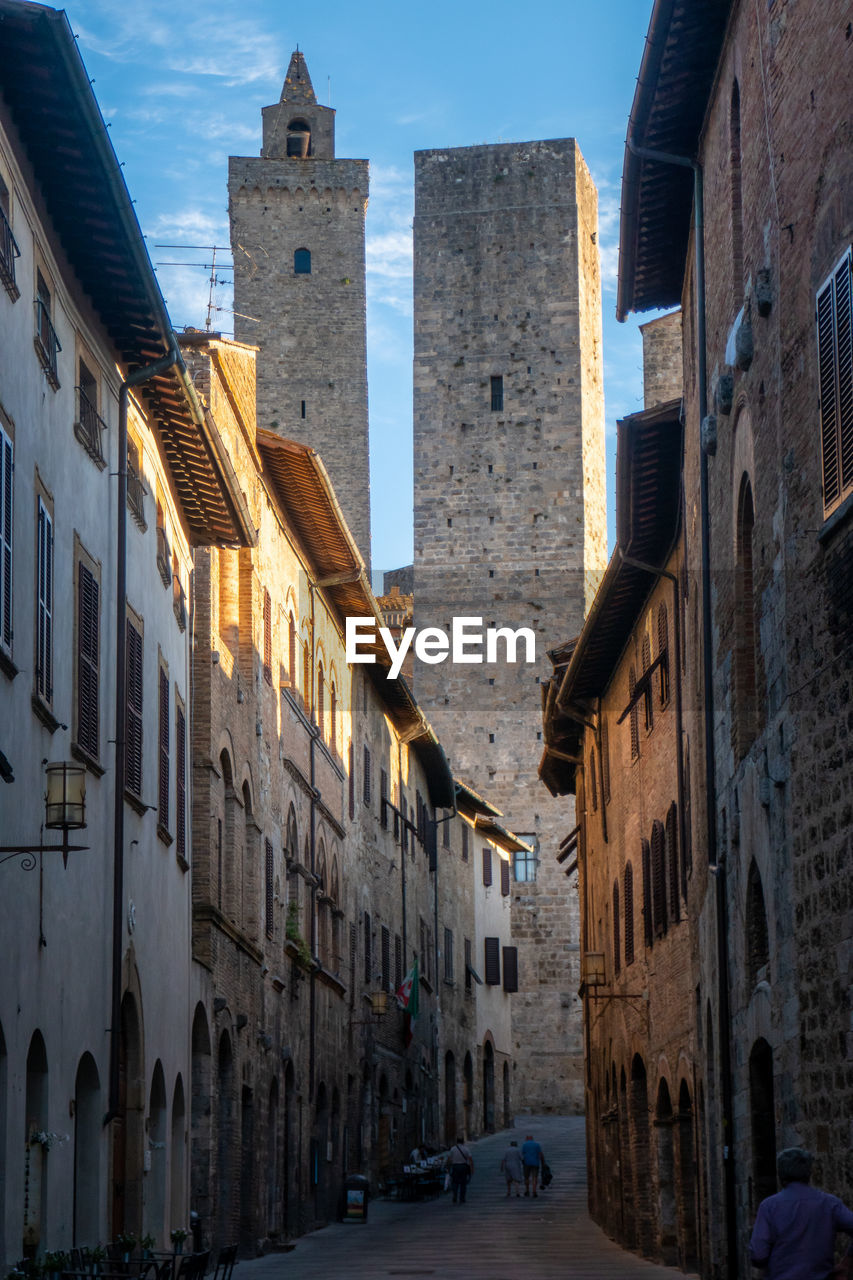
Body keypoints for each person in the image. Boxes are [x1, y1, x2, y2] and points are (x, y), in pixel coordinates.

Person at [750, 1147, 853, 1280]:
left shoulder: (769, 1206)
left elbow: (758, 1254)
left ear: (780, 1174)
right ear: (808, 1173)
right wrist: (847, 1262)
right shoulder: (829, 1203)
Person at [447, 1135, 474, 1204]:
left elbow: (449, 1159)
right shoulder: (466, 1149)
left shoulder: (452, 1149)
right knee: (463, 1184)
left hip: (455, 1167)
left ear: (457, 1142)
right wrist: (472, 1169)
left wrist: (448, 1167)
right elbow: (470, 1160)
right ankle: (462, 1198)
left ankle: (455, 1196)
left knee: (455, 1183)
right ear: (463, 1142)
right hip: (463, 1167)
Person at [521, 1133, 545, 1197]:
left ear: (527, 1138)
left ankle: (527, 1190)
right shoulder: (537, 1145)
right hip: (535, 1163)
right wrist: (543, 1162)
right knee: (534, 1177)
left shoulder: (524, 1145)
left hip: (527, 1163)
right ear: (532, 1138)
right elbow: (540, 1154)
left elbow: (523, 1153)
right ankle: (534, 1191)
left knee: (526, 1177)